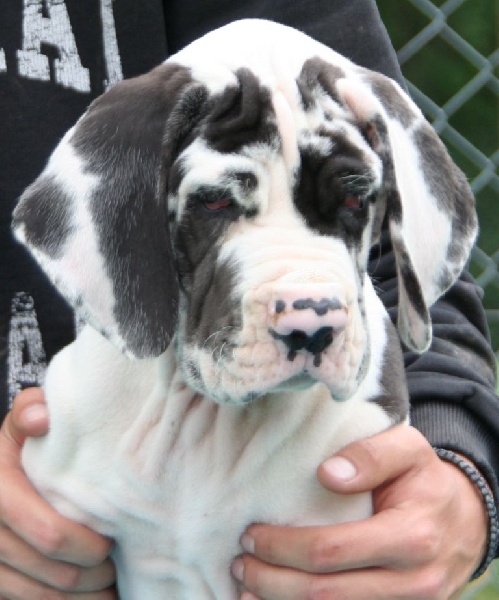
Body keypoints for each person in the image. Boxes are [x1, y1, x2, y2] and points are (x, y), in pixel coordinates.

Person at [0, 0, 497, 598]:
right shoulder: (81, 425)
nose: (308, 311)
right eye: (217, 202)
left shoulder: (336, 100)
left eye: (349, 202)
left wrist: (460, 466)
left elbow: (404, 261)